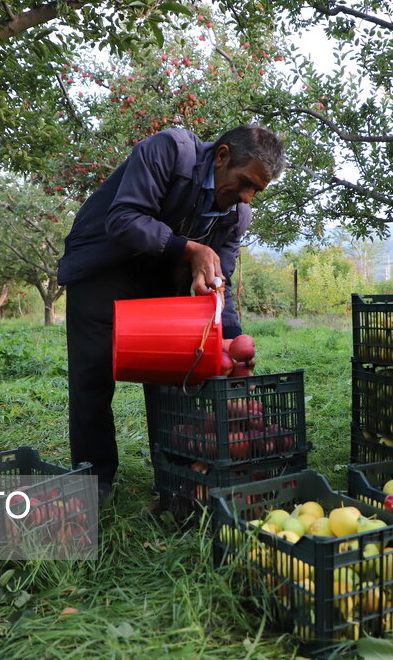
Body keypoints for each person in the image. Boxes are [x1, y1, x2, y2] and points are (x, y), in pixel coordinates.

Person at [57, 124, 285, 501]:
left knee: (171, 378)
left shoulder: (235, 215)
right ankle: (93, 481)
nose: (246, 197)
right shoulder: (169, 152)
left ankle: (175, 477)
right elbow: (124, 218)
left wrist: (230, 342)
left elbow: (219, 282)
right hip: (104, 268)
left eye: (256, 190)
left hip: (160, 280)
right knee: (92, 378)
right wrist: (190, 249)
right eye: (244, 182)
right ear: (222, 156)